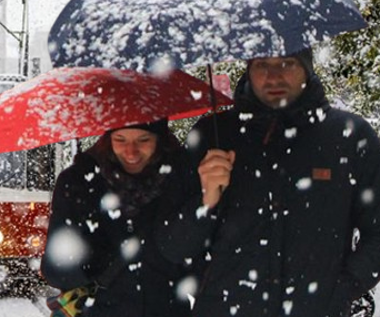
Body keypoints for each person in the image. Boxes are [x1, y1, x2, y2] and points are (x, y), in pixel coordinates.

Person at [157, 49, 380, 317]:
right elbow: (171, 246)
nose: (273, 77)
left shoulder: (349, 137)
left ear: (307, 69)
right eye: (262, 64)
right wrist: (205, 202)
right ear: (249, 69)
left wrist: (339, 291)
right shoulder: (213, 135)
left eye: (287, 63)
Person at [41, 120, 193, 317]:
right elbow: (56, 270)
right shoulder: (78, 183)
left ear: (160, 140)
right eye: (120, 139)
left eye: (143, 139)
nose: (131, 151)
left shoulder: (183, 181)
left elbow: (199, 262)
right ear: (107, 139)